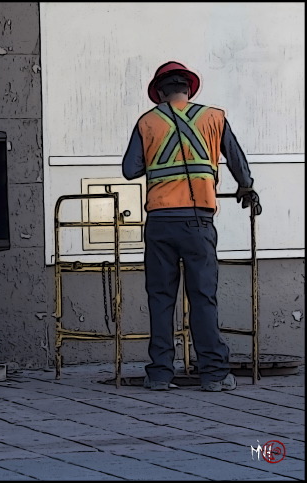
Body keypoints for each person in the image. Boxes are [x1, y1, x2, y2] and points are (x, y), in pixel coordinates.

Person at [122, 61, 262, 392]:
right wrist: (246, 187)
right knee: (202, 297)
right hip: (198, 221)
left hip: (159, 222)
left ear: (159, 93)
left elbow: (130, 169)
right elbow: (238, 161)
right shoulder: (213, 118)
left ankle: (159, 374)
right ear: (188, 90)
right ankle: (213, 374)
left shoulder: (147, 121)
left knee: (160, 297)